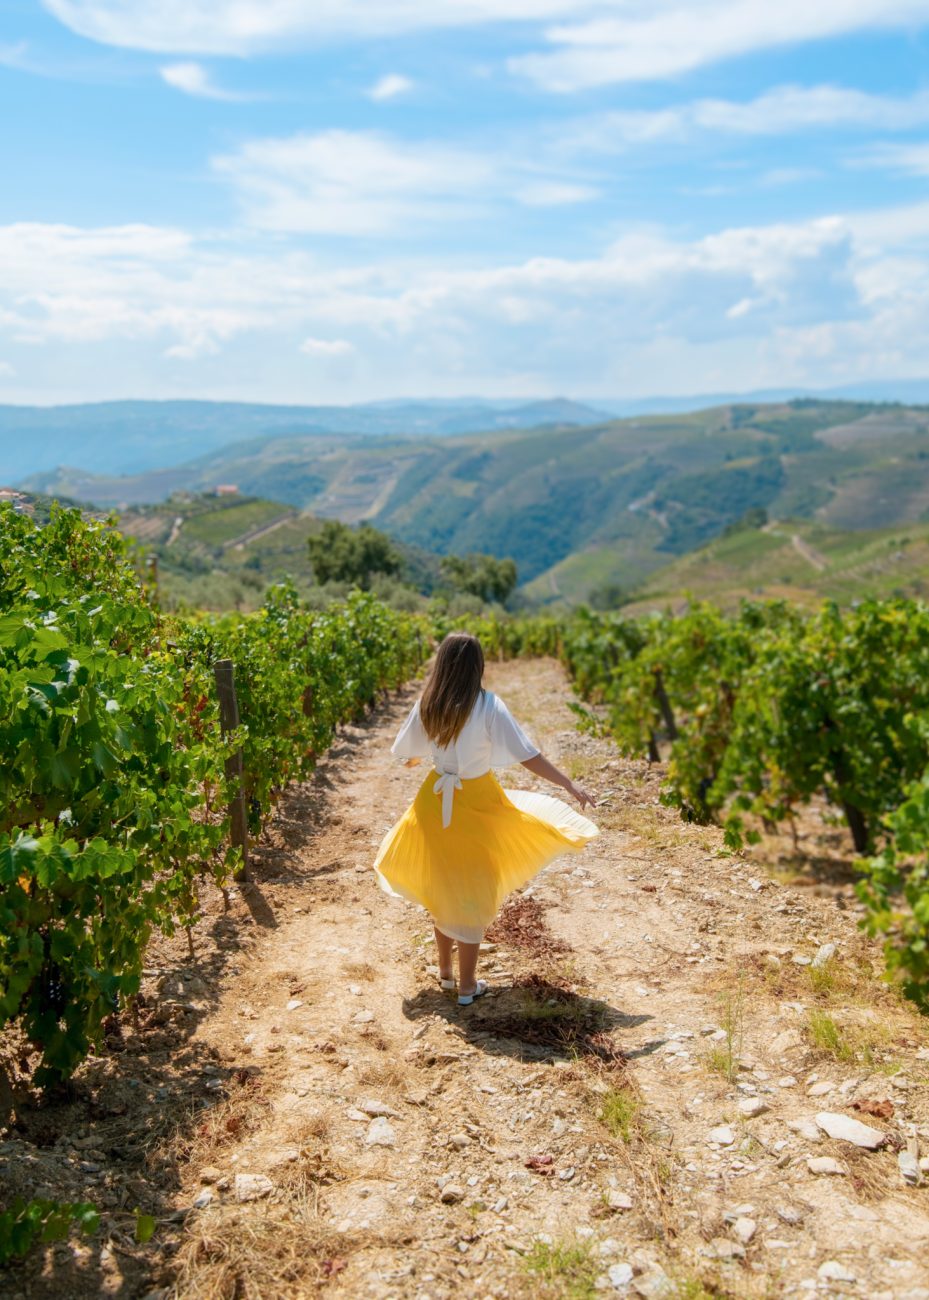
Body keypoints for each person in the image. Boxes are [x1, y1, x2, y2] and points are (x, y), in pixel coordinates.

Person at [373, 631, 598, 1005]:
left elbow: (409, 748)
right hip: (475, 801)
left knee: (441, 885)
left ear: (442, 664)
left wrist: (428, 757)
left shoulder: (429, 702)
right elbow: (528, 755)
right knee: (473, 891)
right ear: (478, 666)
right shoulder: (489, 705)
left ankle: (445, 973)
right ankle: (466, 986)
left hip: (433, 800)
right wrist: (568, 784)